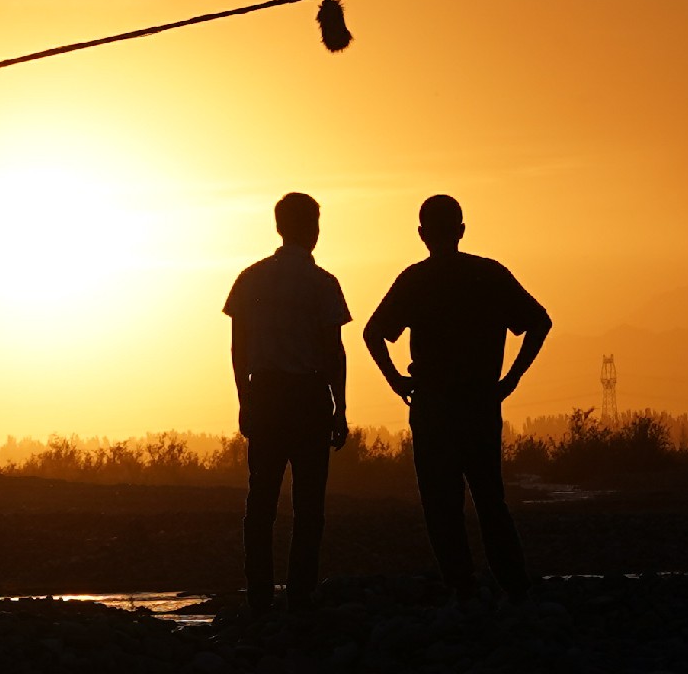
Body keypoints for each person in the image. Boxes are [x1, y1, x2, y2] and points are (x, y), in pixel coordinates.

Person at [365, 194, 551, 603]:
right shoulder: (488, 275)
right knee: (489, 497)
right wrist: (511, 380)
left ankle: (461, 586)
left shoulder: (415, 280)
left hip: (433, 405)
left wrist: (397, 380)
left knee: (440, 501)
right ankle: (514, 586)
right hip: (480, 402)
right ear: (461, 230)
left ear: (421, 234)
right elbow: (540, 322)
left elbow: (373, 332)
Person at [223, 192, 352, 616]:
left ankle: (259, 595)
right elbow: (334, 352)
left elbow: (238, 348)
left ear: (279, 227)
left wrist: (245, 398)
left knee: (260, 504)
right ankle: (300, 595)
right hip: (309, 398)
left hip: (267, 396)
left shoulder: (250, 279)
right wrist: (340, 408)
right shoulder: (323, 283)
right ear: (313, 229)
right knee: (308, 507)